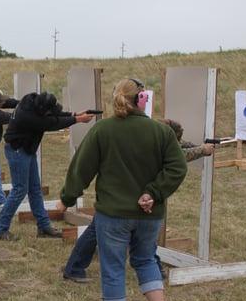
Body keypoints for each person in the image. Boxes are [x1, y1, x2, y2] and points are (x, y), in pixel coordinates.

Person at [57, 78, 187, 301]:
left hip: (113, 216)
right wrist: (153, 193)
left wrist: (67, 197)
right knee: (146, 260)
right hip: (150, 214)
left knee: (113, 268)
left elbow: (81, 169)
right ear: (141, 100)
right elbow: (177, 168)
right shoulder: (162, 131)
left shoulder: (102, 130)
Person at [62, 119, 215, 283]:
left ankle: (74, 267)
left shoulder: (145, 132)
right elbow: (180, 155)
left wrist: (200, 146)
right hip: (130, 195)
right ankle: (75, 268)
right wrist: (203, 150)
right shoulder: (157, 137)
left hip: (117, 195)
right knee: (140, 238)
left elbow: (181, 145)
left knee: (120, 234)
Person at [0, 92, 94, 241]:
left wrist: (74, 114)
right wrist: (77, 119)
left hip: (26, 149)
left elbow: (54, 114)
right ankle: (1, 229)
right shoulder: (28, 116)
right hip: (18, 150)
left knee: (34, 189)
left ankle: (44, 227)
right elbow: (52, 123)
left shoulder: (33, 102)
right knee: (20, 190)